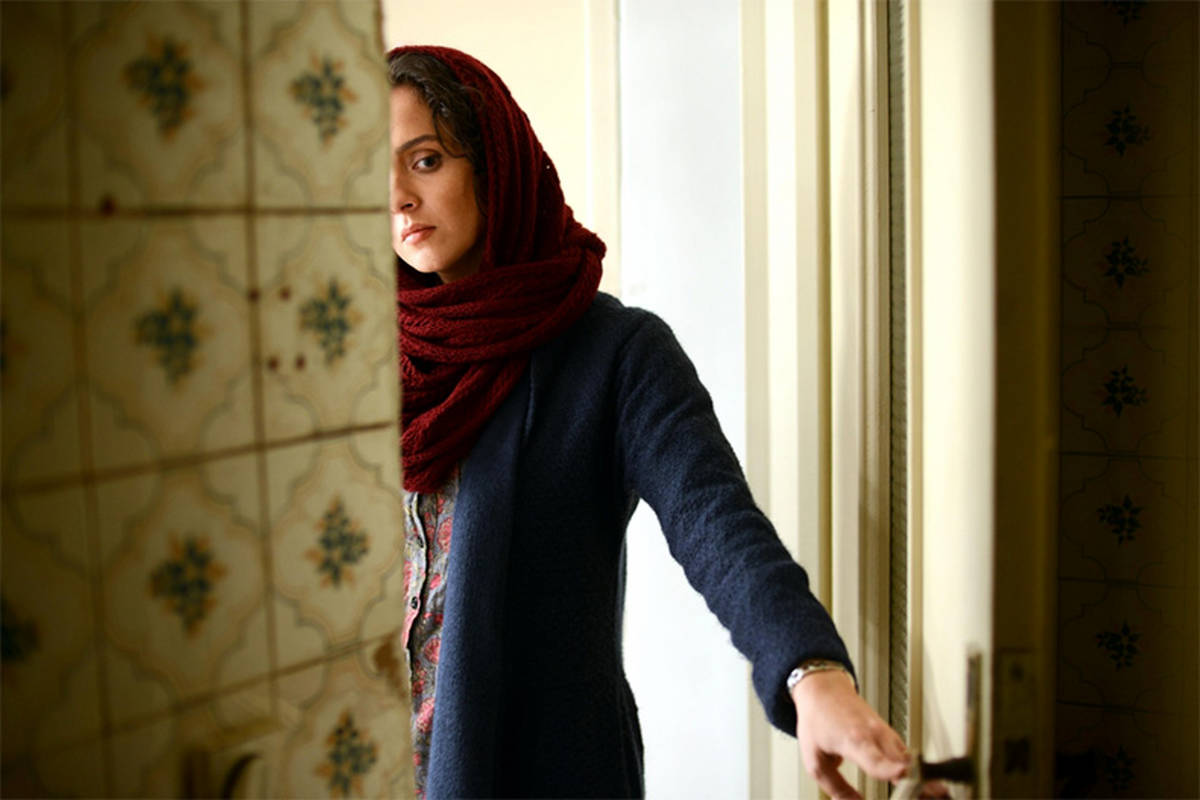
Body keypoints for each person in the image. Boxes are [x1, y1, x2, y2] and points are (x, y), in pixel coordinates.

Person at [389, 44, 913, 799]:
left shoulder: (613, 353)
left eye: (427, 160)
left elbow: (715, 519)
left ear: (495, 161)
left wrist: (810, 670)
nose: (399, 196)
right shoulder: (365, 361)